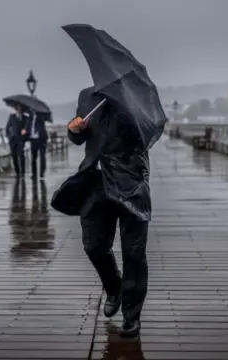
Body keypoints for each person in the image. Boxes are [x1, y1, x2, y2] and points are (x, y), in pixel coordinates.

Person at [50, 87, 151, 338]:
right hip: (95, 182)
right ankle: (113, 287)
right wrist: (74, 129)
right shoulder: (88, 97)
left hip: (131, 183)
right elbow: (79, 137)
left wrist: (127, 110)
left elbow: (148, 135)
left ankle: (131, 315)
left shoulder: (138, 98)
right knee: (93, 246)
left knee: (134, 253)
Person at [5, 104, 29, 177]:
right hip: (13, 140)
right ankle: (17, 172)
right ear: (16, 109)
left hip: (21, 140)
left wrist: (25, 133)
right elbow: (7, 128)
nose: (19, 110)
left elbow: (28, 129)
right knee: (14, 157)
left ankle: (23, 173)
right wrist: (9, 137)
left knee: (21, 156)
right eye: (18, 109)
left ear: (22, 110)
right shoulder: (12, 117)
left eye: (20, 109)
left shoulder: (25, 118)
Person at [24, 111, 48, 179]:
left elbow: (42, 126)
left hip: (41, 139)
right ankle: (34, 174)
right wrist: (25, 131)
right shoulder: (30, 117)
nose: (33, 110)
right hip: (33, 140)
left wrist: (39, 117)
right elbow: (27, 127)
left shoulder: (41, 117)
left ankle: (42, 173)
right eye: (31, 109)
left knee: (42, 156)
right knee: (33, 158)